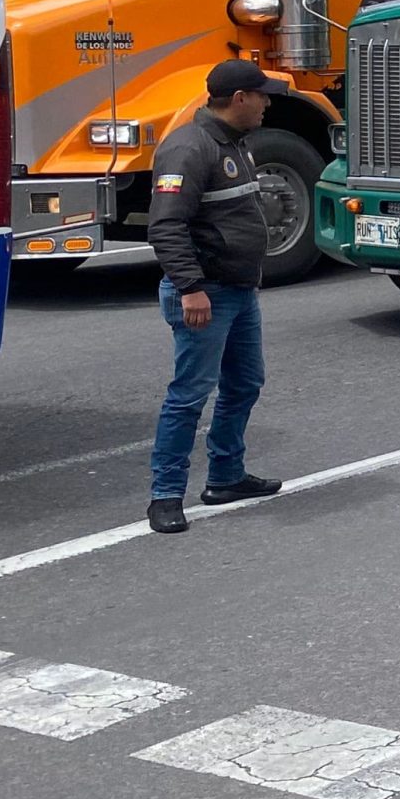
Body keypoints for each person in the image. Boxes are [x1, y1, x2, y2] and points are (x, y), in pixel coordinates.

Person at [144, 60, 290, 534]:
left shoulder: (232, 143)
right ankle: (165, 495)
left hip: (238, 290)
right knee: (188, 396)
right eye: (262, 95)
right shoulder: (189, 147)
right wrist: (191, 288)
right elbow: (166, 226)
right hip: (206, 293)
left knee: (245, 383)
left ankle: (226, 477)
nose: (268, 103)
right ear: (240, 98)